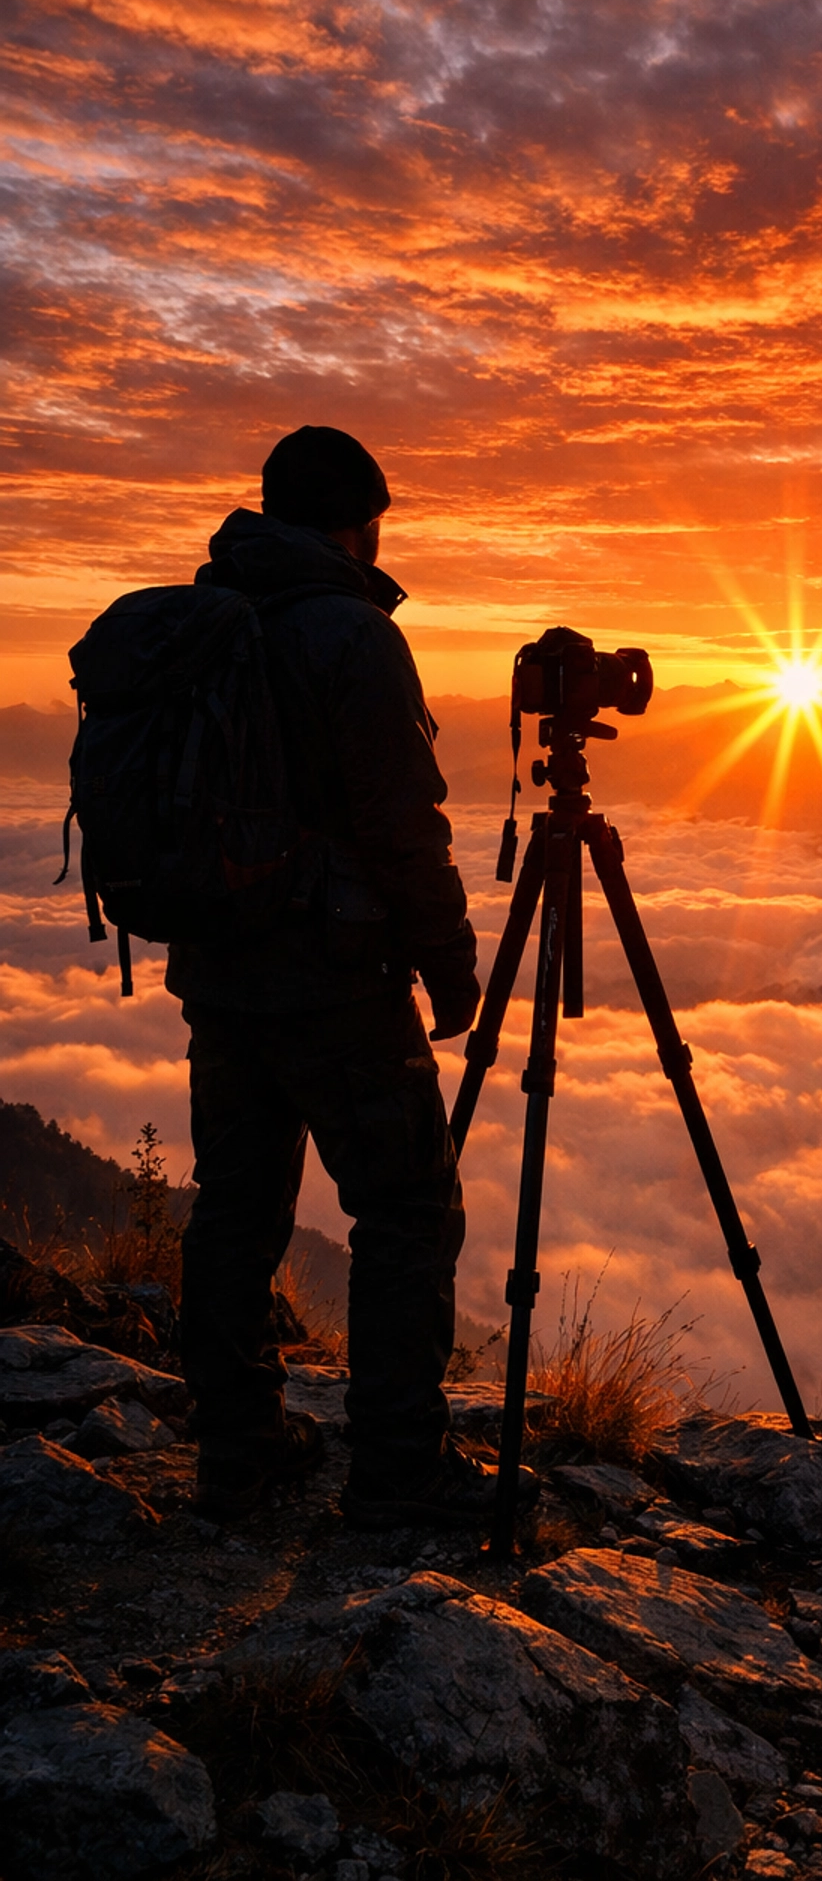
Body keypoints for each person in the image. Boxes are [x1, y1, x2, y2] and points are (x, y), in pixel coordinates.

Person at [169, 425, 489, 1528]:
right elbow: (405, 826)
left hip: (217, 970)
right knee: (406, 1211)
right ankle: (399, 1476)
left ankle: (238, 1457)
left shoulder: (210, 619)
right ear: (366, 522)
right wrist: (451, 965)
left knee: (237, 1210)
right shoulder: (352, 634)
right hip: (337, 977)